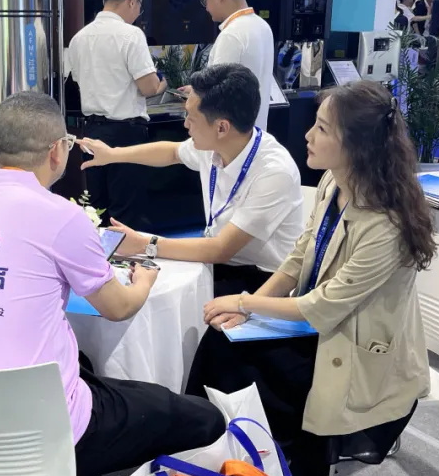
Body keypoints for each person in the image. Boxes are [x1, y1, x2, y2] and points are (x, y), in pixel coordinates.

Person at [0, 92, 226, 476]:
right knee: (201, 417)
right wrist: (146, 280)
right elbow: (118, 308)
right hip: (47, 433)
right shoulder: (59, 215)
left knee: (83, 363)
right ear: (57, 151)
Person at [184, 81, 433, 476]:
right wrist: (249, 309)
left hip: (353, 348)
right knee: (221, 340)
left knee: (240, 364)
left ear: (357, 145)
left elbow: (325, 305)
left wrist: (246, 302)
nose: (308, 135)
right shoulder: (334, 183)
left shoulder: (385, 223)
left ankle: (259, 468)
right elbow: (300, 257)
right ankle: (212, 457)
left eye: (322, 128)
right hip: (319, 327)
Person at [79, 63, 304, 300]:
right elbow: (172, 153)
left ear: (222, 127)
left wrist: (145, 244)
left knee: (158, 297)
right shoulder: (217, 145)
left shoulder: (273, 172)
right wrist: (112, 155)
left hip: (265, 281)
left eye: (191, 118)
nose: (185, 124)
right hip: (218, 263)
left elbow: (221, 249)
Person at [68, 0, 166, 232]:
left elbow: (79, 81)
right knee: (127, 213)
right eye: (139, 6)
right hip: (126, 133)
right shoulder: (131, 35)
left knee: (97, 209)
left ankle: (100, 257)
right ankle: (128, 258)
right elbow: (149, 87)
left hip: (92, 133)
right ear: (133, 0)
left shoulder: (79, 38)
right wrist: (163, 83)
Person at [200, 0, 278, 130]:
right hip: (256, 133)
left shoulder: (231, 35)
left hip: (230, 137)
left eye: (205, 0)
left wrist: (197, 96)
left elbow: (217, 96)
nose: (206, 8)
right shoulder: (263, 26)